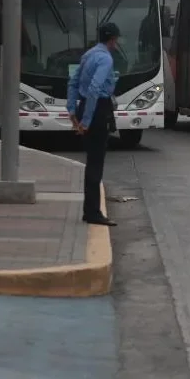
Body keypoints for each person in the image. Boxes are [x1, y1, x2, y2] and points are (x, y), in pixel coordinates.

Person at [67, 23, 121, 227]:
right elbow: (95, 89)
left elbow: (72, 83)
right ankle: (93, 212)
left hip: (84, 107)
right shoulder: (105, 58)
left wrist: (73, 111)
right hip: (98, 110)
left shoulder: (88, 55)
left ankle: (89, 210)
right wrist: (87, 121)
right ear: (113, 39)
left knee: (91, 160)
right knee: (96, 162)